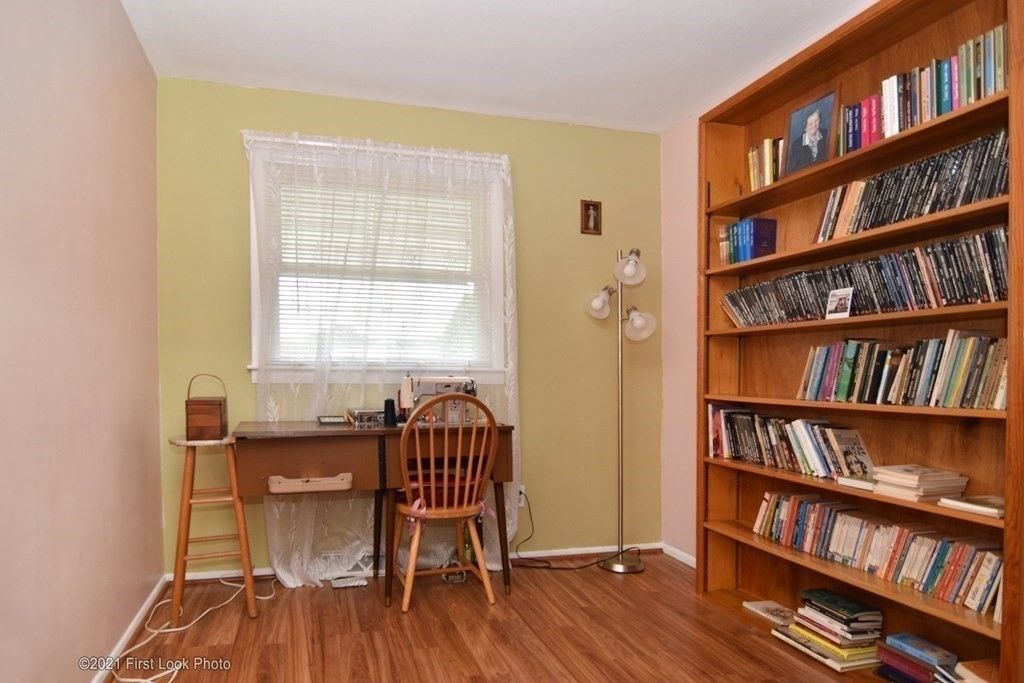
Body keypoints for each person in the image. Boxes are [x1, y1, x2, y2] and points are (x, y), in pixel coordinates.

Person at [787, 108, 827, 173]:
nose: (814, 125)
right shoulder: (796, 145)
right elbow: (791, 172)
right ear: (805, 127)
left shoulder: (827, 134)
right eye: (810, 123)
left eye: (816, 121)